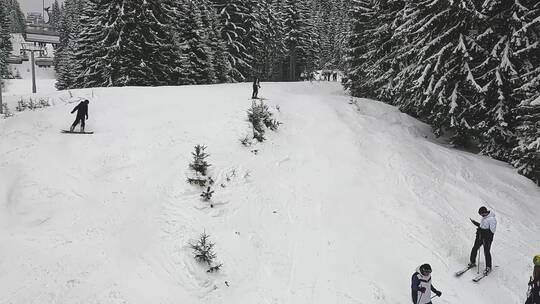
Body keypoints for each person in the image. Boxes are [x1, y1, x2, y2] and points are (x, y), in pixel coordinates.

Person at [468, 206, 497, 275]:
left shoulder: (492, 219)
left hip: (487, 238)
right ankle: (472, 262)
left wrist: (483, 231)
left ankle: (488, 267)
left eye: (482, 214)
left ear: (485, 212)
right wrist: (477, 224)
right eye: (481, 215)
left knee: (486, 251)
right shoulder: (484, 217)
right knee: (475, 248)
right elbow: (482, 226)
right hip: (480, 236)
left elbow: (492, 231)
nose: (481, 216)